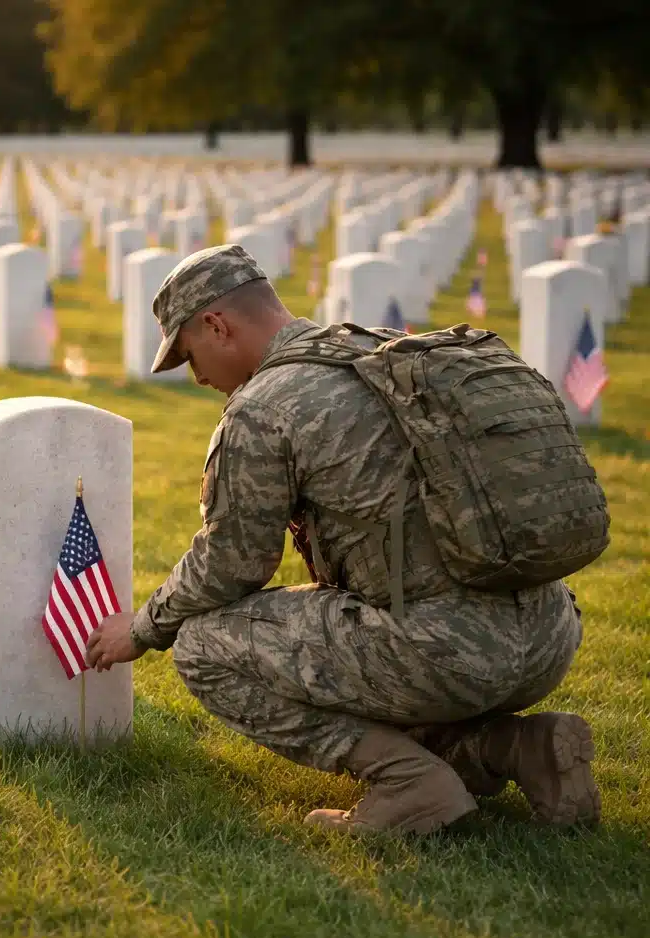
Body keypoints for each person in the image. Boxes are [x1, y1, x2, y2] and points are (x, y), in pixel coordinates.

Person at [86, 243, 601, 835]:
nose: (197, 375)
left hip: (451, 653)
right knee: (355, 634)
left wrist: (145, 625)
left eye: (189, 354)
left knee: (203, 644)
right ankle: (518, 748)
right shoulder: (378, 348)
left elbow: (232, 563)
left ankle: (411, 784)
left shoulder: (262, 407)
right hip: (547, 636)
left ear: (216, 325)